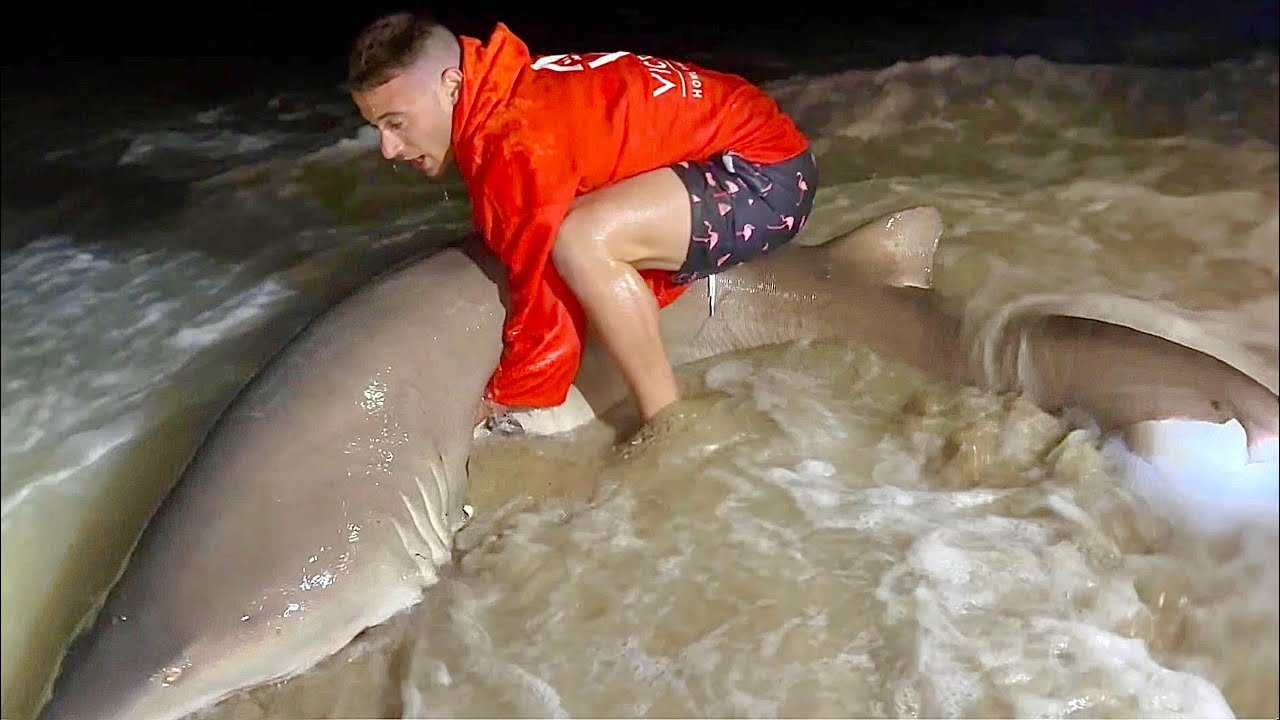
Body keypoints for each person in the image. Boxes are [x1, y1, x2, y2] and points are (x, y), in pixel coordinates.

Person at [346, 11, 817, 428]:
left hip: (764, 176)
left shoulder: (514, 138)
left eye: (397, 122)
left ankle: (667, 420)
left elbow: (540, 289)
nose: (387, 148)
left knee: (577, 240)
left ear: (452, 86)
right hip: (751, 143)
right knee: (565, 230)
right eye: (377, 128)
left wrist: (505, 398)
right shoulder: (507, 86)